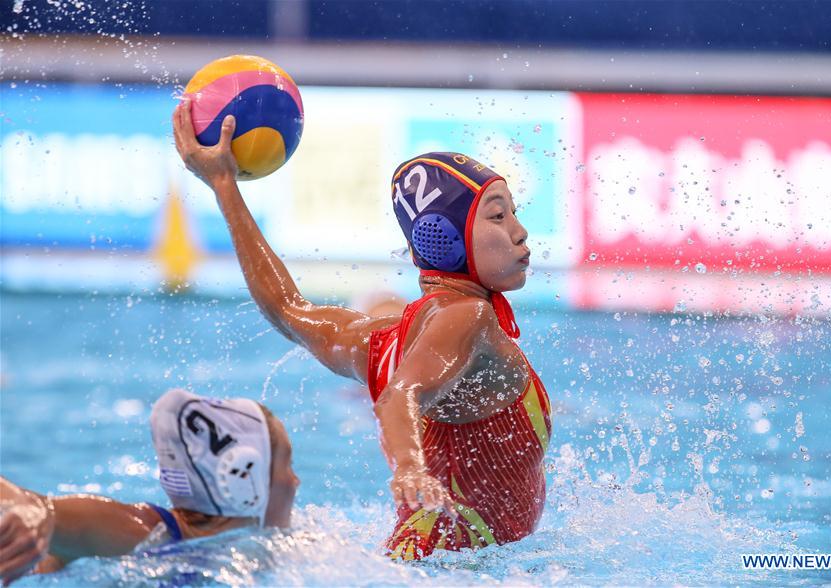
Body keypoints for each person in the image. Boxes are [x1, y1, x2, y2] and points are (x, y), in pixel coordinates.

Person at [170, 101, 551, 561]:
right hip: (449, 570)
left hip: (421, 555)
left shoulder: (382, 340)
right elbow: (400, 396)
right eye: (497, 216)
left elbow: (287, 309)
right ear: (443, 237)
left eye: (513, 212)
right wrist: (410, 467)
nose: (520, 231)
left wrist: (224, 184)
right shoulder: (470, 317)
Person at [0, 389, 299, 584]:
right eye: (287, 465)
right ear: (242, 478)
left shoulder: (258, 547)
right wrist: (34, 511)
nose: (294, 481)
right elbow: (39, 509)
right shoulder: (140, 534)